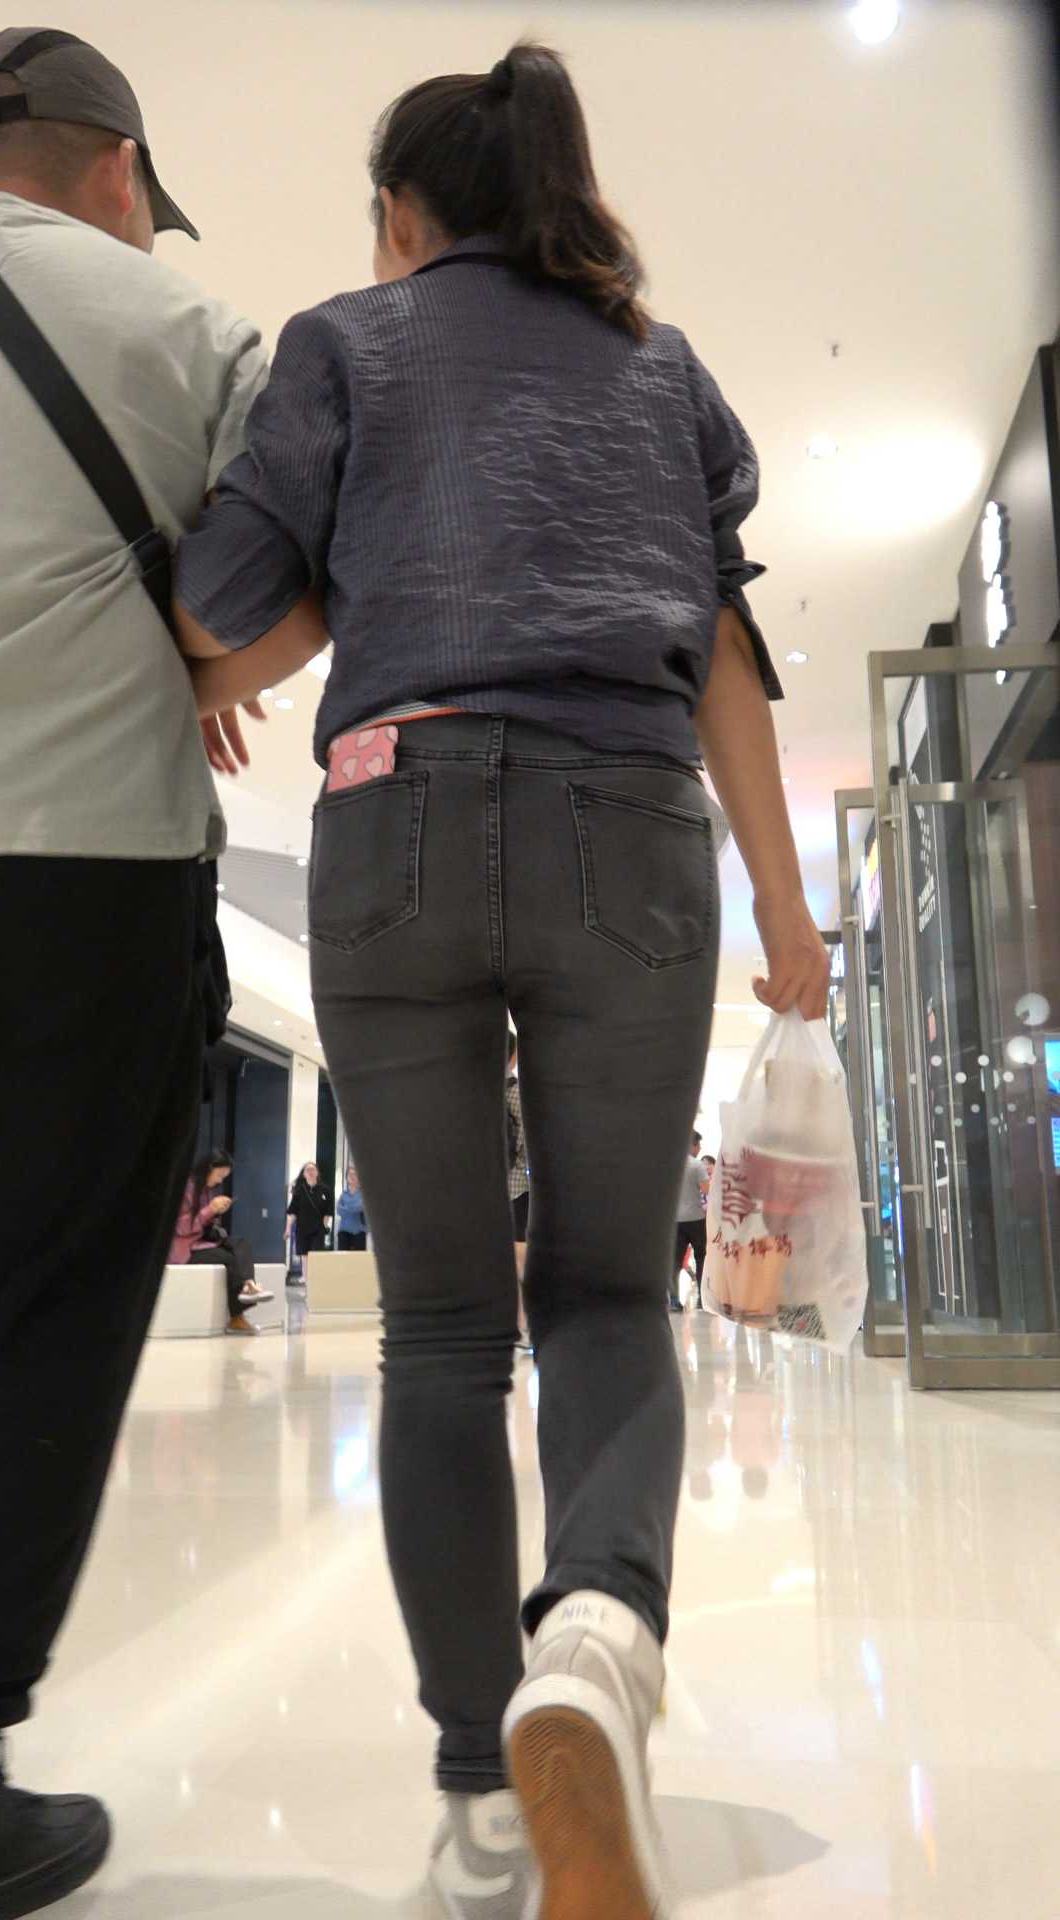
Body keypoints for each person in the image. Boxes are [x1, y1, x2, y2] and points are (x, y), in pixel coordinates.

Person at [173, 40, 830, 1920]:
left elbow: (221, 605)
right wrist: (788, 914)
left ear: (402, 214)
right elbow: (723, 650)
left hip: (394, 815)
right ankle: (597, 1642)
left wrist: (283, 631)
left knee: (444, 1331)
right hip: (630, 820)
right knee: (609, 1292)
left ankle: (480, 1782)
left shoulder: (346, 345)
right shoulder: (661, 370)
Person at [0, 27, 268, 1915]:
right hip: (77, 869)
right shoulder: (174, 326)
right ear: (119, 172)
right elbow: (292, 565)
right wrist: (189, 657)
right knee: (61, 1290)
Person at [170, 1151, 273, 1334]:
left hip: (202, 1242)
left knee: (241, 1244)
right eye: (219, 1175)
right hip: (185, 1250)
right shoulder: (187, 1188)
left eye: (224, 1177)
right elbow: (180, 1228)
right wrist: (210, 1209)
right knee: (230, 1259)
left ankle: (249, 1285)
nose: (220, 1181)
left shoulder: (207, 1191)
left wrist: (216, 1212)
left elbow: (203, 1224)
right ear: (210, 1168)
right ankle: (237, 1318)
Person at [505, 1033, 534, 1353]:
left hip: (482, 1190)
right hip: (518, 1190)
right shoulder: (518, 1093)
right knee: (522, 1260)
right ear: (513, 1057)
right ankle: (525, 1325)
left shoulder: (475, 1090)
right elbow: (528, 1145)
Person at [671, 1132, 710, 1312]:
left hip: (676, 1220)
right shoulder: (697, 1165)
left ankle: (673, 1300)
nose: (699, 1149)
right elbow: (707, 1190)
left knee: (675, 1261)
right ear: (692, 1145)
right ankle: (702, 1299)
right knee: (701, 1258)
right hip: (696, 1219)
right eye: (698, 1145)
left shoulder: (671, 1163)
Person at [286, 1160, 334, 1279]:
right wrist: (288, 1228)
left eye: (313, 1169)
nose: (310, 1172)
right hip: (302, 1229)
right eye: (307, 1170)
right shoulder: (299, 1191)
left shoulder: (326, 1190)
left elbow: (328, 1211)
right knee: (305, 1257)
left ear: (317, 1172)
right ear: (304, 1174)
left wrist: (324, 1226)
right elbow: (293, 1211)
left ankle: (315, 1280)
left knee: (316, 1256)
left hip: (318, 1229)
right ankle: (307, 1281)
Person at [335, 1166, 367, 1251]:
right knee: (342, 1257)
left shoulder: (364, 1194)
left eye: (354, 1174)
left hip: (359, 1231)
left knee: (358, 1258)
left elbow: (360, 1207)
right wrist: (354, 1208)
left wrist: (347, 1208)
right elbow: (339, 1210)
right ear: (346, 1178)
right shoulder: (343, 1194)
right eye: (349, 1174)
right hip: (344, 1231)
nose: (352, 1176)